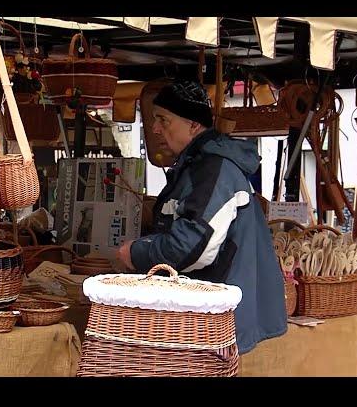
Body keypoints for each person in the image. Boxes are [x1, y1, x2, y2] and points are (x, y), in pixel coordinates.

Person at [117, 80, 287, 355]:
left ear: (194, 125)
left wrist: (137, 253)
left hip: (218, 323)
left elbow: (194, 247)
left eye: (163, 120)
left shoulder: (214, 170)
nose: (155, 128)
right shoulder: (197, 166)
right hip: (210, 321)